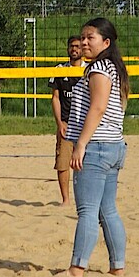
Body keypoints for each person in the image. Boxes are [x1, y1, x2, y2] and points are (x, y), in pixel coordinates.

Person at [65, 17, 129, 277]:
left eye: (90, 37)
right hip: (113, 145)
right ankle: (117, 268)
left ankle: (77, 269)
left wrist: (80, 144)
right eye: (82, 37)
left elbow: (98, 107)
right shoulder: (113, 67)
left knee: (88, 212)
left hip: (97, 147)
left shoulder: (100, 69)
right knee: (107, 210)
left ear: (106, 41)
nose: (83, 42)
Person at [48, 36, 85, 206]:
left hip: (85, 125)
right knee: (62, 162)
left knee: (87, 164)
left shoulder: (90, 69)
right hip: (66, 124)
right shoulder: (60, 69)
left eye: (77, 46)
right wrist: (60, 123)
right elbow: (55, 98)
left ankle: (85, 199)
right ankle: (66, 200)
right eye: (71, 46)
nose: (74, 49)